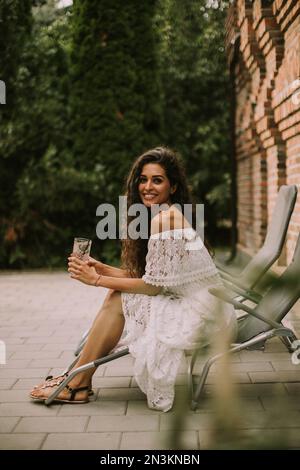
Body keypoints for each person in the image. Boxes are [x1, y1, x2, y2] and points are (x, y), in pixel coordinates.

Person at [30, 146, 237, 412]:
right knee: (117, 295)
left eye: (157, 180)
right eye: (143, 179)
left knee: (117, 297)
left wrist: (95, 280)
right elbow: (153, 278)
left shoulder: (167, 220)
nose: (147, 187)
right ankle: (78, 379)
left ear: (173, 187)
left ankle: (78, 382)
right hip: (188, 299)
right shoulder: (163, 214)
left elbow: (151, 287)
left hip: (206, 314)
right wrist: (101, 268)